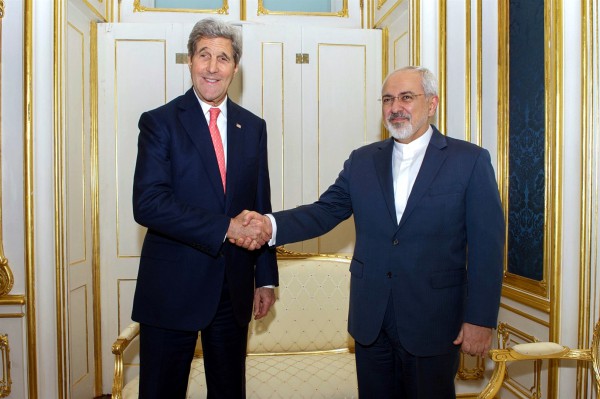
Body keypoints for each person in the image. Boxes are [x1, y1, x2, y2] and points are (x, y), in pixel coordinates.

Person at [237, 66, 505, 398]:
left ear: (432, 104)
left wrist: (480, 319)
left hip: (433, 322)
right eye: (388, 99)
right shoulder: (362, 161)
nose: (396, 107)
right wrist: (269, 225)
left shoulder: (470, 161)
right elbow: (325, 211)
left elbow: (487, 248)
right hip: (371, 320)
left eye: (407, 97)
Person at [131, 18, 278, 399]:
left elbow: (261, 204)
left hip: (234, 289)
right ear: (190, 60)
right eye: (204, 55)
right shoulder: (159, 123)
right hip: (170, 291)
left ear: (235, 66)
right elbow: (148, 204)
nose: (212, 67)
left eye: (223, 58)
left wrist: (265, 277)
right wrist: (226, 228)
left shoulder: (253, 127)